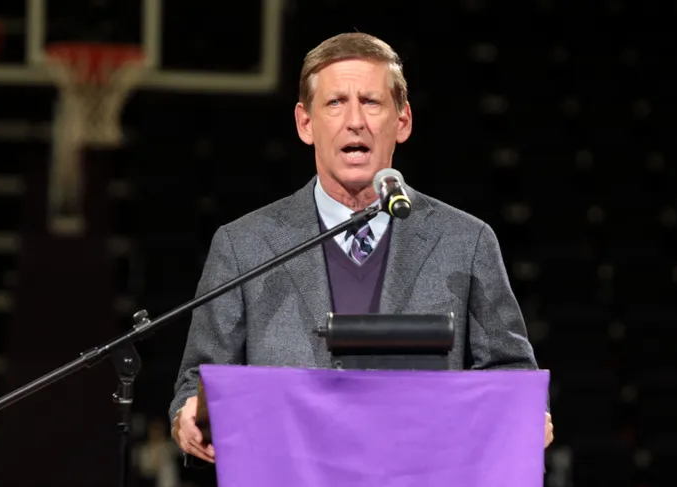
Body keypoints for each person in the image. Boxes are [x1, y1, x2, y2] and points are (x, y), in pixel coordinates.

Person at [168, 32, 551, 460]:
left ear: (402, 121)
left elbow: (511, 370)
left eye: (371, 102)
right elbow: (197, 379)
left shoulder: (466, 242)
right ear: (305, 123)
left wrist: (528, 413)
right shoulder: (244, 246)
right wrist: (186, 415)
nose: (355, 121)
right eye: (335, 103)